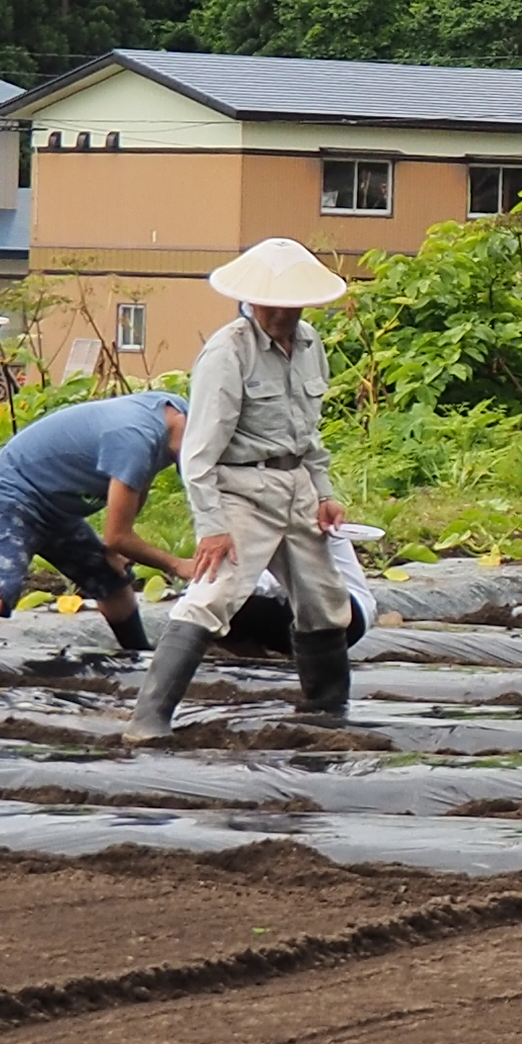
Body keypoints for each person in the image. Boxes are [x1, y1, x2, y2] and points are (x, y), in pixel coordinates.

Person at [139, 237, 357, 739]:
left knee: (325, 601)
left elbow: (309, 431)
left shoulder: (309, 346)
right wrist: (211, 524)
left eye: (294, 301)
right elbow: (198, 451)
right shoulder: (227, 352)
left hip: (296, 485)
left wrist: (324, 491)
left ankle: (326, 716)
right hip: (242, 488)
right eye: (276, 302)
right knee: (213, 596)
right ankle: (148, 721)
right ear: (255, 300)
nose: (286, 311)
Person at [0, 388, 187, 686]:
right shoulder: (134, 438)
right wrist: (176, 564)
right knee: (0, 584)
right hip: (9, 493)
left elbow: (139, 483)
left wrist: (116, 551)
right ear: (185, 422)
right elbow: (117, 536)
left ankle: (141, 661)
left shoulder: (173, 412)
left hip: (56, 508)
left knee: (111, 581)